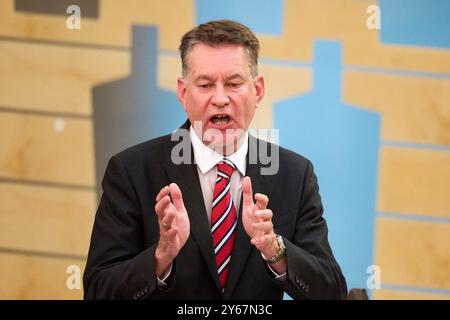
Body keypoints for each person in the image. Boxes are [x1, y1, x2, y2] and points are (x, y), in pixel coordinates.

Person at [83, 20, 347, 300]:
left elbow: (332, 292)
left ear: (257, 91)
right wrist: (160, 258)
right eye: (206, 84)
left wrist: (274, 249)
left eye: (233, 83)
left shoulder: (293, 175)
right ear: (184, 93)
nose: (220, 98)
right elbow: (98, 291)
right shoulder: (132, 171)